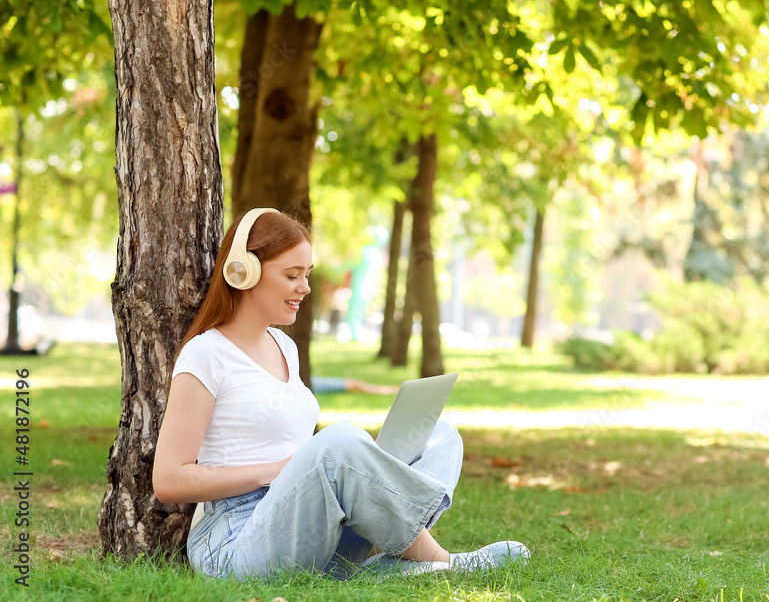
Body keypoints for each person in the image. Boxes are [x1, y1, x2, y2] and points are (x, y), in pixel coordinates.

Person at [152, 208, 529, 580]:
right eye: (291, 275)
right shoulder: (206, 354)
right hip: (233, 540)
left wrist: (341, 466)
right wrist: (277, 471)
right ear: (243, 272)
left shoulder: (284, 347)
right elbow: (169, 480)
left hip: (309, 526)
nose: (305, 287)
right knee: (339, 442)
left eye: (308, 274)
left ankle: (366, 566)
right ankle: (440, 561)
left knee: (439, 435)